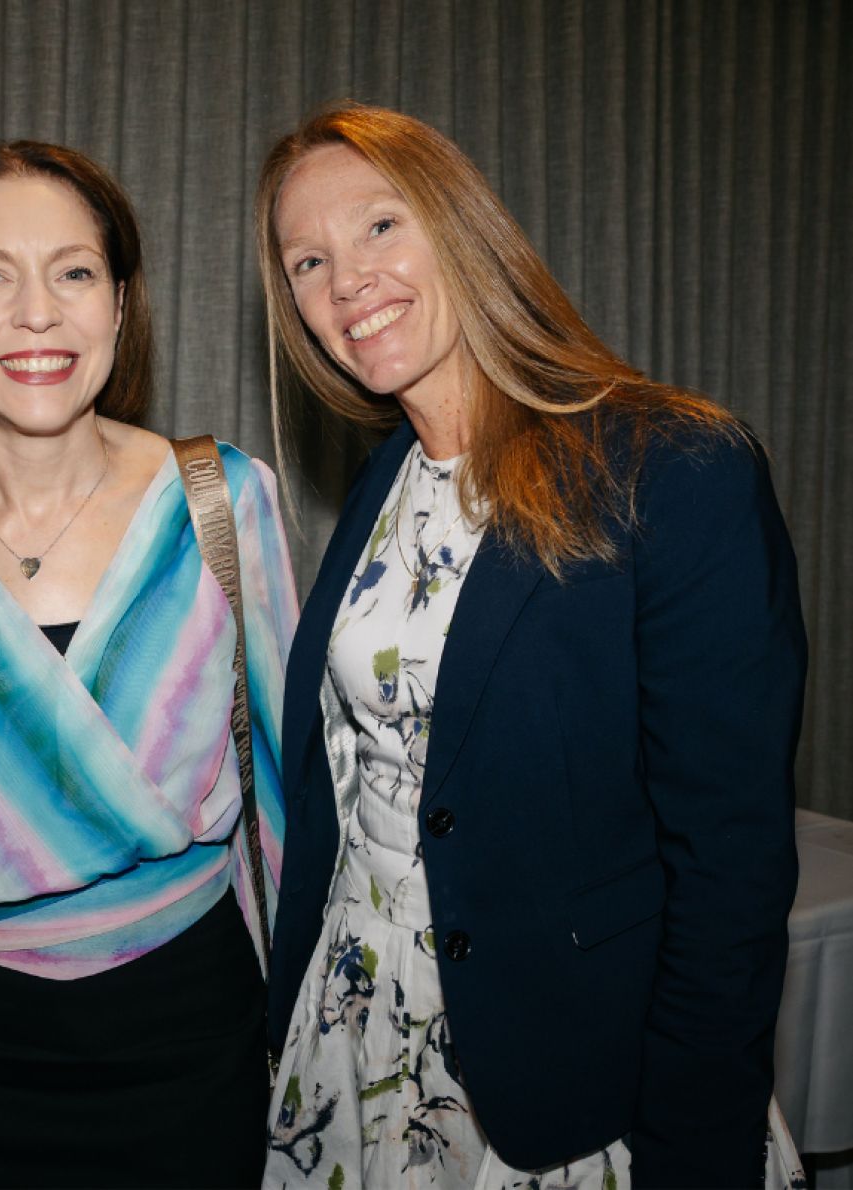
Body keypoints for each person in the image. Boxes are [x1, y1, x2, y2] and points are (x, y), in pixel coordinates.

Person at [254, 103, 807, 1189]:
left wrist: (696, 1145)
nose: (347, 280)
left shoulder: (673, 465)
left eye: (380, 226)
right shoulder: (386, 479)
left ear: (465, 227)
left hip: (563, 1075)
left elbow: (729, 868)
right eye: (308, 259)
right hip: (359, 1031)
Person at [0, 140, 297, 1188]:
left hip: (194, 1046)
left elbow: (286, 799)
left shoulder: (222, 502)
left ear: (121, 305)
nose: (36, 311)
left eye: (75, 272)